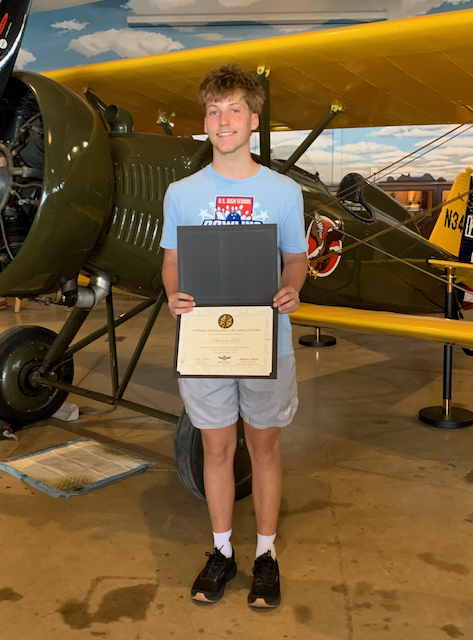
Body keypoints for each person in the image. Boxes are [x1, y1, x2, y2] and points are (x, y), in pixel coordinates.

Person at [160, 63, 308, 608]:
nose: (224, 121)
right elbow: (172, 262)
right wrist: (173, 294)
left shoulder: (284, 191)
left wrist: (292, 288)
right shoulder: (181, 193)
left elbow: (296, 258)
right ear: (205, 121)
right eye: (214, 111)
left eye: (235, 110)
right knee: (216, 448)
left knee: (263, 448)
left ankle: (266, 555)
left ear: (253, 120)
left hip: (266, 339)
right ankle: (222, 551)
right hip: (205, 340)